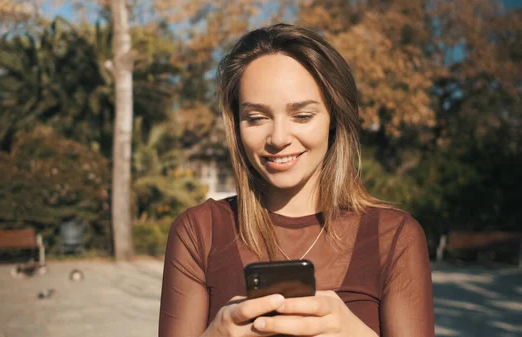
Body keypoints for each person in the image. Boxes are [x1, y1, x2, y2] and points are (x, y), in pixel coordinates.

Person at [158, 23, 435, 337]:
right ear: (236, 124)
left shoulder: (395, 238)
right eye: (256, 117)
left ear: (334, 118)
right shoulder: (198, 232)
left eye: (302, 116)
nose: (278, 138)